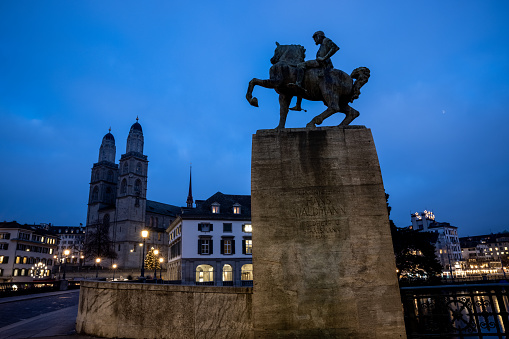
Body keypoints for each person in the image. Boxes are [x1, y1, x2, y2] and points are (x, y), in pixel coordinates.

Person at [290, 31, 339, 111]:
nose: (315, 40)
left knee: (301, 65)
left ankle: (298, 84)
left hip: (321, 63)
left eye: (315, 38)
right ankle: (298, 104)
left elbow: (335, 48)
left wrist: (324, 58)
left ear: (319, 36)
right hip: (320, 62)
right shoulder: (323, 43)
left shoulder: (326, 40)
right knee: (302, 69)